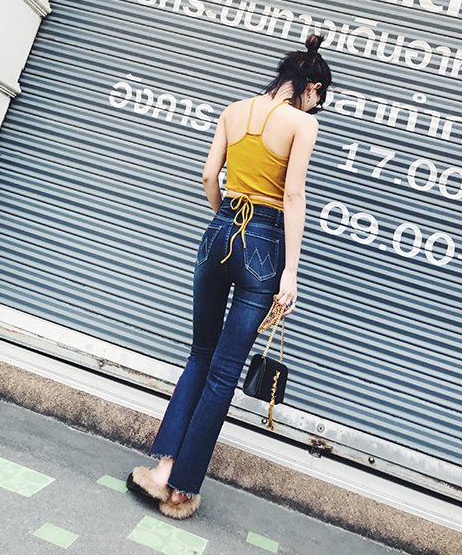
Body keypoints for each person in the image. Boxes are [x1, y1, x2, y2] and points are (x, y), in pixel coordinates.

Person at [127, 34, 332, 519]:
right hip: (263, 241)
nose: (317, 107)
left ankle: (162, 469)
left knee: (199, 356)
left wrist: (225, 220)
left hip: (219, 231)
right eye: (319, 99)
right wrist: (290, 272)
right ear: (311, 88)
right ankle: (180, 491)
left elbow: (208, 176)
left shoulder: (233, 110)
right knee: (223, 372)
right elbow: (294, 196)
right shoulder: (302, 123)